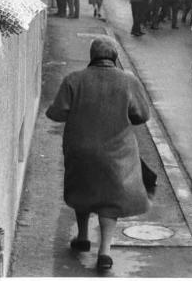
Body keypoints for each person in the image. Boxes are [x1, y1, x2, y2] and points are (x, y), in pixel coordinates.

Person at [46, 36, 151, 272]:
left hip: (80, 149)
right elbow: (142, 116)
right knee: (109, 201)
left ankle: (82, 237)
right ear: (114, 57)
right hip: (117, 153)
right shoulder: (128, 81)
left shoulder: (74, 79)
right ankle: (104, 252)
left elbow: (56, 113)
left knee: (83, 189)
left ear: (92, 56)